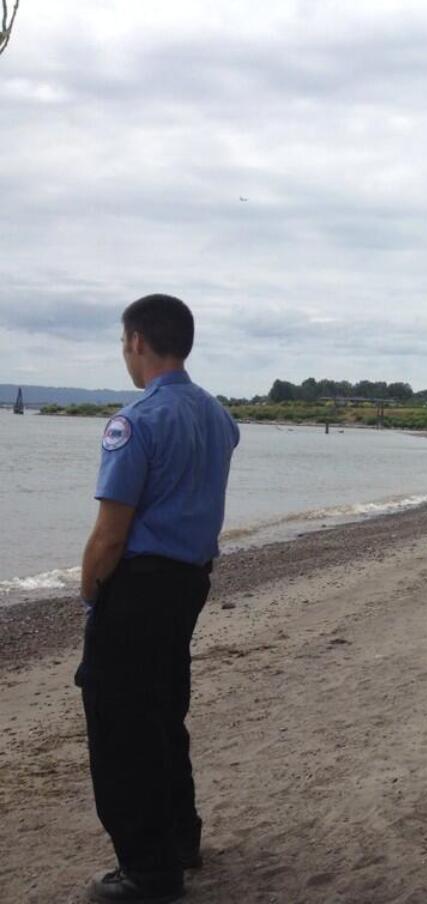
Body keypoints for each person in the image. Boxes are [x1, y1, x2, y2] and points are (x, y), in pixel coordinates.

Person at [75, 295, 240, 904]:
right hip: (189, 580)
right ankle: (180, 835)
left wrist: (90, 590)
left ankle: (148, 868)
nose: (125, 354)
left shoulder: (136, 421)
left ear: (138, 341)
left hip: (140, 583)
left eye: (124, 344)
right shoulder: (218, 416)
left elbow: (111, 533)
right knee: (164, 707)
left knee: (120, 724)